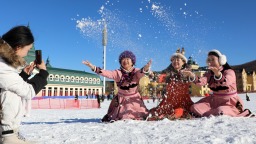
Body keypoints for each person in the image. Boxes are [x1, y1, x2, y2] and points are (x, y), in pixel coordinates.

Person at [0, 26, 49, 144]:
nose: (27, 53)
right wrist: (43, 73)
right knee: (11, 93)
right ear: (18, 47)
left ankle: (12, 133)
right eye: (28, 49)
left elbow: (8, 83)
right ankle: (8, 135)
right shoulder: (2, 66)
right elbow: (28, 91)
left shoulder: (4, 64)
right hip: (5, 132)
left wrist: (24, 75)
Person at [83, 50, 151, 122]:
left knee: (141, 115)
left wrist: (145, 68)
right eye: (123, 59)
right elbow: (106, 73)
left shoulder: (136, 71)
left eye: (128, 59)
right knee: (124, 116)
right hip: (122, 99)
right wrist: (93, 67)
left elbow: (141, 72)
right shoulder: (117, 73)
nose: (125, 61)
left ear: (132, 62)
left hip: (134, 97)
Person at [183, 49, 251, 117]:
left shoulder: (229, 72)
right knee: (195, 107)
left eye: (213, 59)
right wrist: (192, 76)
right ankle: (211, 112)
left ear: (220, 60)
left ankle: (216, 112)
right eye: (209, 60)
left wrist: (218, 75)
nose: (210, 62)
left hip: (229, 102)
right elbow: (202, 81)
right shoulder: (209, 74)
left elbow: (226, 82)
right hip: (214, 100)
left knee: (220, 111)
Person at [147, 48, 194, 121]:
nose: (175, 61)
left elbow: (194, 79)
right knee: (157, 112)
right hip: (169, 101)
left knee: (179, 111)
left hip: (182, 101)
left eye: (178, 60)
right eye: (173, 60)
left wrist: (191, 76)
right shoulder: (168, 73)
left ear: (183, 62)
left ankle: (172, 116)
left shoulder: (187, 72)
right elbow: (159, 77)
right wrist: (152, 75)